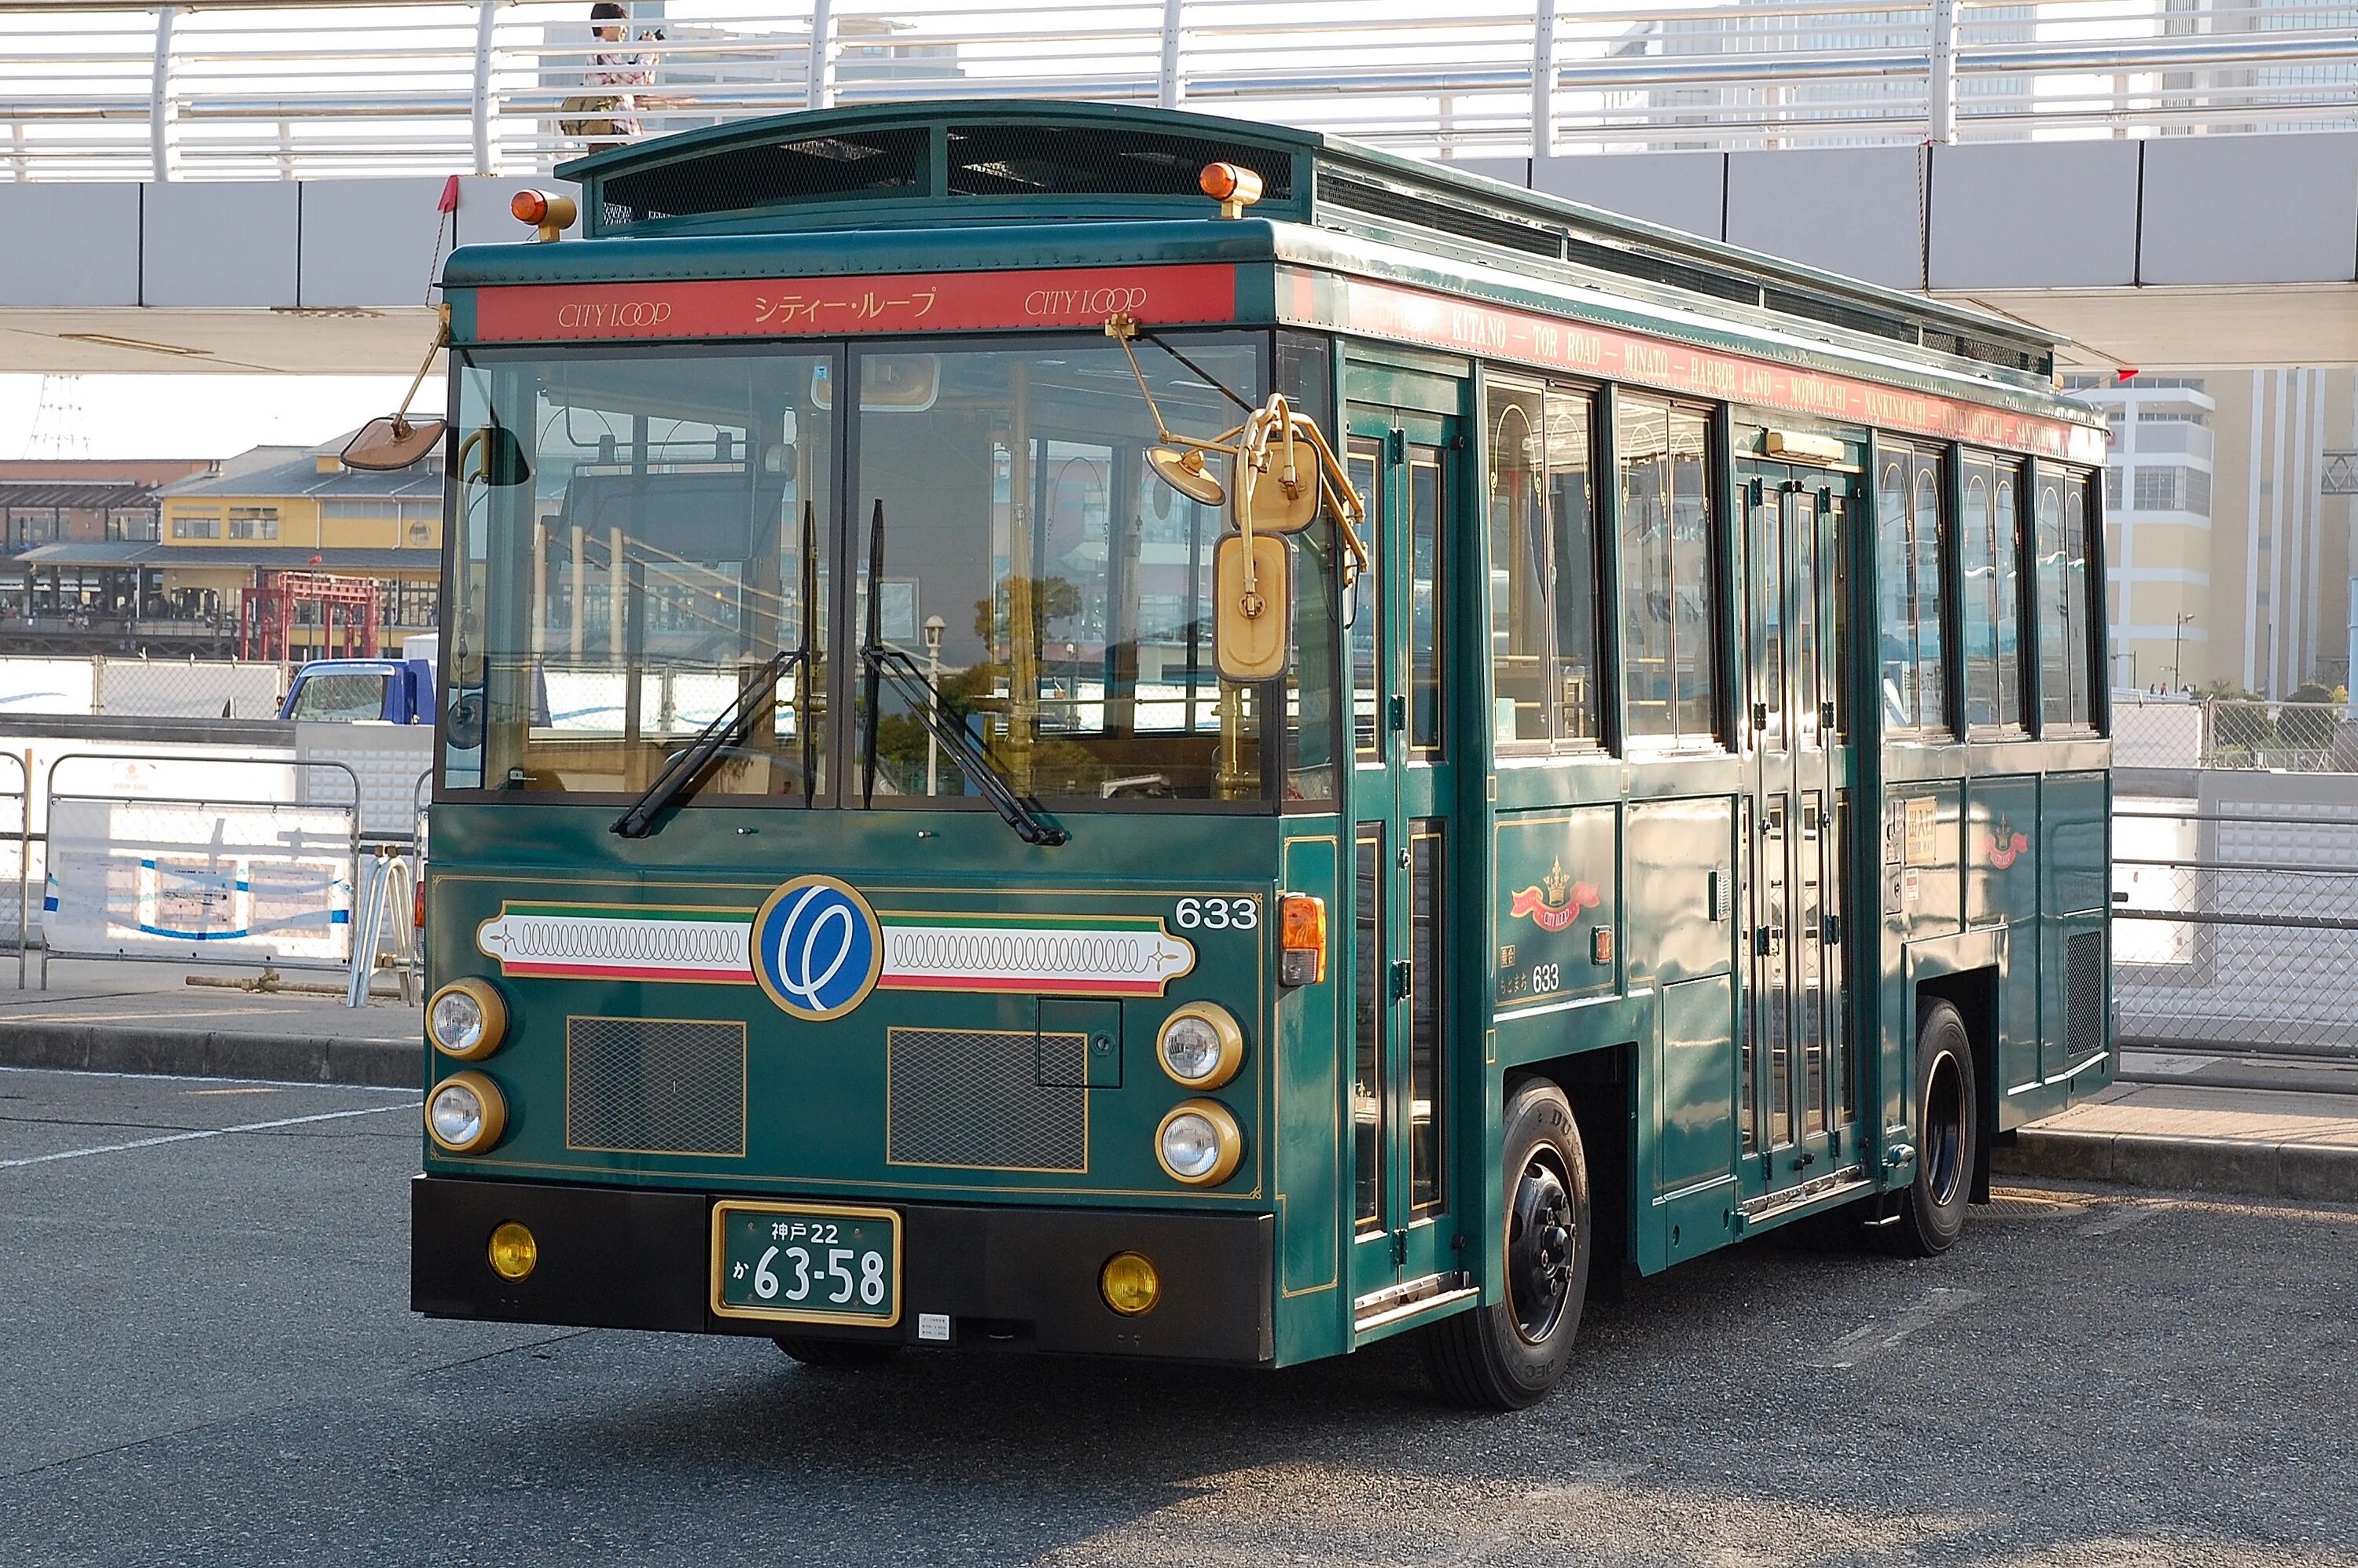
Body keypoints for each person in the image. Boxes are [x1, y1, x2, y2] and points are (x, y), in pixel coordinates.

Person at [564, 2, 652, 153]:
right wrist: (648, 51)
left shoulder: (601, 52)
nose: (625, 30)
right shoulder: (603, 50)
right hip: (614, 136)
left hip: (611, 136)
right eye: (621, 24)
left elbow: (638, 82)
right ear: (604, 25)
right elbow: (638, 80)